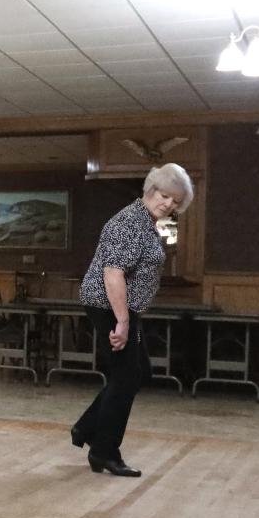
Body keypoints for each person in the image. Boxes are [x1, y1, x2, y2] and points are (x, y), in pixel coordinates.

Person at [71, 163, 194, 477]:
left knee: (137, 373)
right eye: (165, 195)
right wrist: (123, 322)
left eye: (175, 201)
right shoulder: (128, 222)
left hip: (124, 308)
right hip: (109, 306)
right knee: (127, 377)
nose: (168, 203)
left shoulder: (148, 222)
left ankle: (86, 428)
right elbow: (113, 274)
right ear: (151, 190)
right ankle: (104, 452)